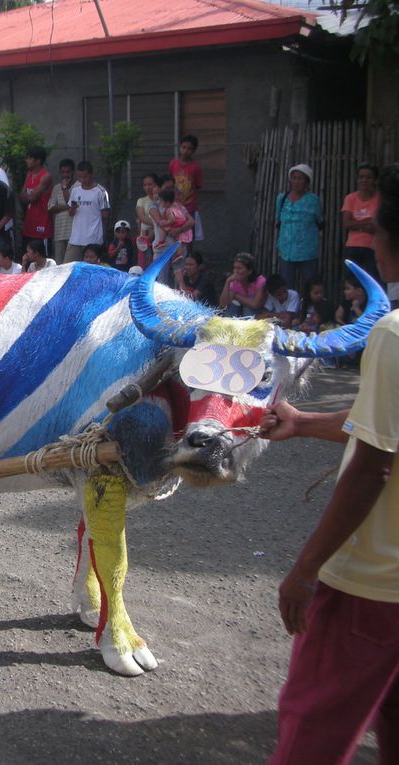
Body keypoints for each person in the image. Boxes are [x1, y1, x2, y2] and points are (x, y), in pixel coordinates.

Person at [262, 162, 399, 765]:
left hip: (375, 584)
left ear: (386, 242)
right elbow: (382, 428)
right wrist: (305, 422)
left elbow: (374, 466)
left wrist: (306, 567)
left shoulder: (393, 335)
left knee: (312, 727)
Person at [275, 163, 324, 293]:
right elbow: (278, 220)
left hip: (307, 251)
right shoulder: (282, 198)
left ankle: (308, 310)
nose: (296, 181)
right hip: (286, 251)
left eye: (300, 178)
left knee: (310, 285)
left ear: (307, 182)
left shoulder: (313, 200)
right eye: (294, 178)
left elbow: (320, 221)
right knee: (287, 286)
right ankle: (291, 311)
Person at [341, 163, 381, 283]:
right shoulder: (350, 198)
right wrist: (366, 224)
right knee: (352, 281)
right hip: (352, 246)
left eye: (368, 177)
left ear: (375, 180)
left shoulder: (380, 199)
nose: (364, 180)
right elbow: (346, 223)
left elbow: (377, 225)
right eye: (361, 177)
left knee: (372, 281)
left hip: (373, 247)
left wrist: (357, 224)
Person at [65, 161, 109, 262]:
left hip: (93, 239)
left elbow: (105, 215)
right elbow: (70, 213)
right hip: (75, 238)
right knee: (68, 267)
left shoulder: (101, 191)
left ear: (91, 174)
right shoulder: (75, 190)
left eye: (85, 177)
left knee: (91, 269)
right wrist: (73, 208)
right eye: (79, 177)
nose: (82, 180)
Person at [169, 134, 203, 246]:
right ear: (179, 147)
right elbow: (170, 182)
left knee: (188, 238)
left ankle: (188, 260)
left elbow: (198, 186)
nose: (185, 151)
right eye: (184, 147)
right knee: (173, 235)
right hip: (175, 207)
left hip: (189, 207)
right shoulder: (173, 164)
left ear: (193, 151)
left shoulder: (195, 168)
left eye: (189, 149)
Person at [20, 146, 53, 251]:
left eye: (30, 158)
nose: (27, 161)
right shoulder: (29, 174)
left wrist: (28, 196)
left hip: (42, 223)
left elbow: (33, 197)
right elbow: (22, 196)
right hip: (29, 223)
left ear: (38, 161)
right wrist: (28, 196)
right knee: (27, 257)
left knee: (42, 258)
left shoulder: (45, 176)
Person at [219, 252, 267, 318]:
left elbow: (255, 304)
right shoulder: (234, 282)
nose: (236, 271)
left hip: (257, 314)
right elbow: (223, 304)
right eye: (234, 268)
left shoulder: (260, 281)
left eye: (239, 268)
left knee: (248, 308)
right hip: (240, 312)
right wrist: (228, 281)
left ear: (249, 271)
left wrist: (236, 296)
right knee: (232, 306)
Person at [47, 158, 77, 263]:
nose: (65, 175)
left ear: (73, 172)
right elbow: (50, 207)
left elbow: (70, 202)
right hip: (59, 232)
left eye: (68, 172)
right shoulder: (56, 188)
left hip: (73, 233)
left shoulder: (78, 187)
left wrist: (64, 187)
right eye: (63, 172)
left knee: (70, 264)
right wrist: (68, 207)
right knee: (59, 264)